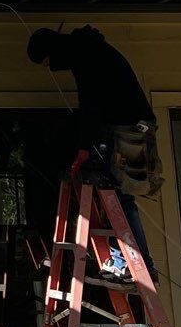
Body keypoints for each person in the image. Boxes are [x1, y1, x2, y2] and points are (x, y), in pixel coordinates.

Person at [26, 24, 160, 278]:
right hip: (132, 126)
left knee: (119, 195)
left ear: (53, 50)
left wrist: (84, 149)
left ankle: (137, 264)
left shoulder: (85, 57)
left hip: (129, 131)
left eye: (47, 62)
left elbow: (90, 109)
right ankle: (128, 261)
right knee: (116, 194)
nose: (50, 68)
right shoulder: (91, 49)